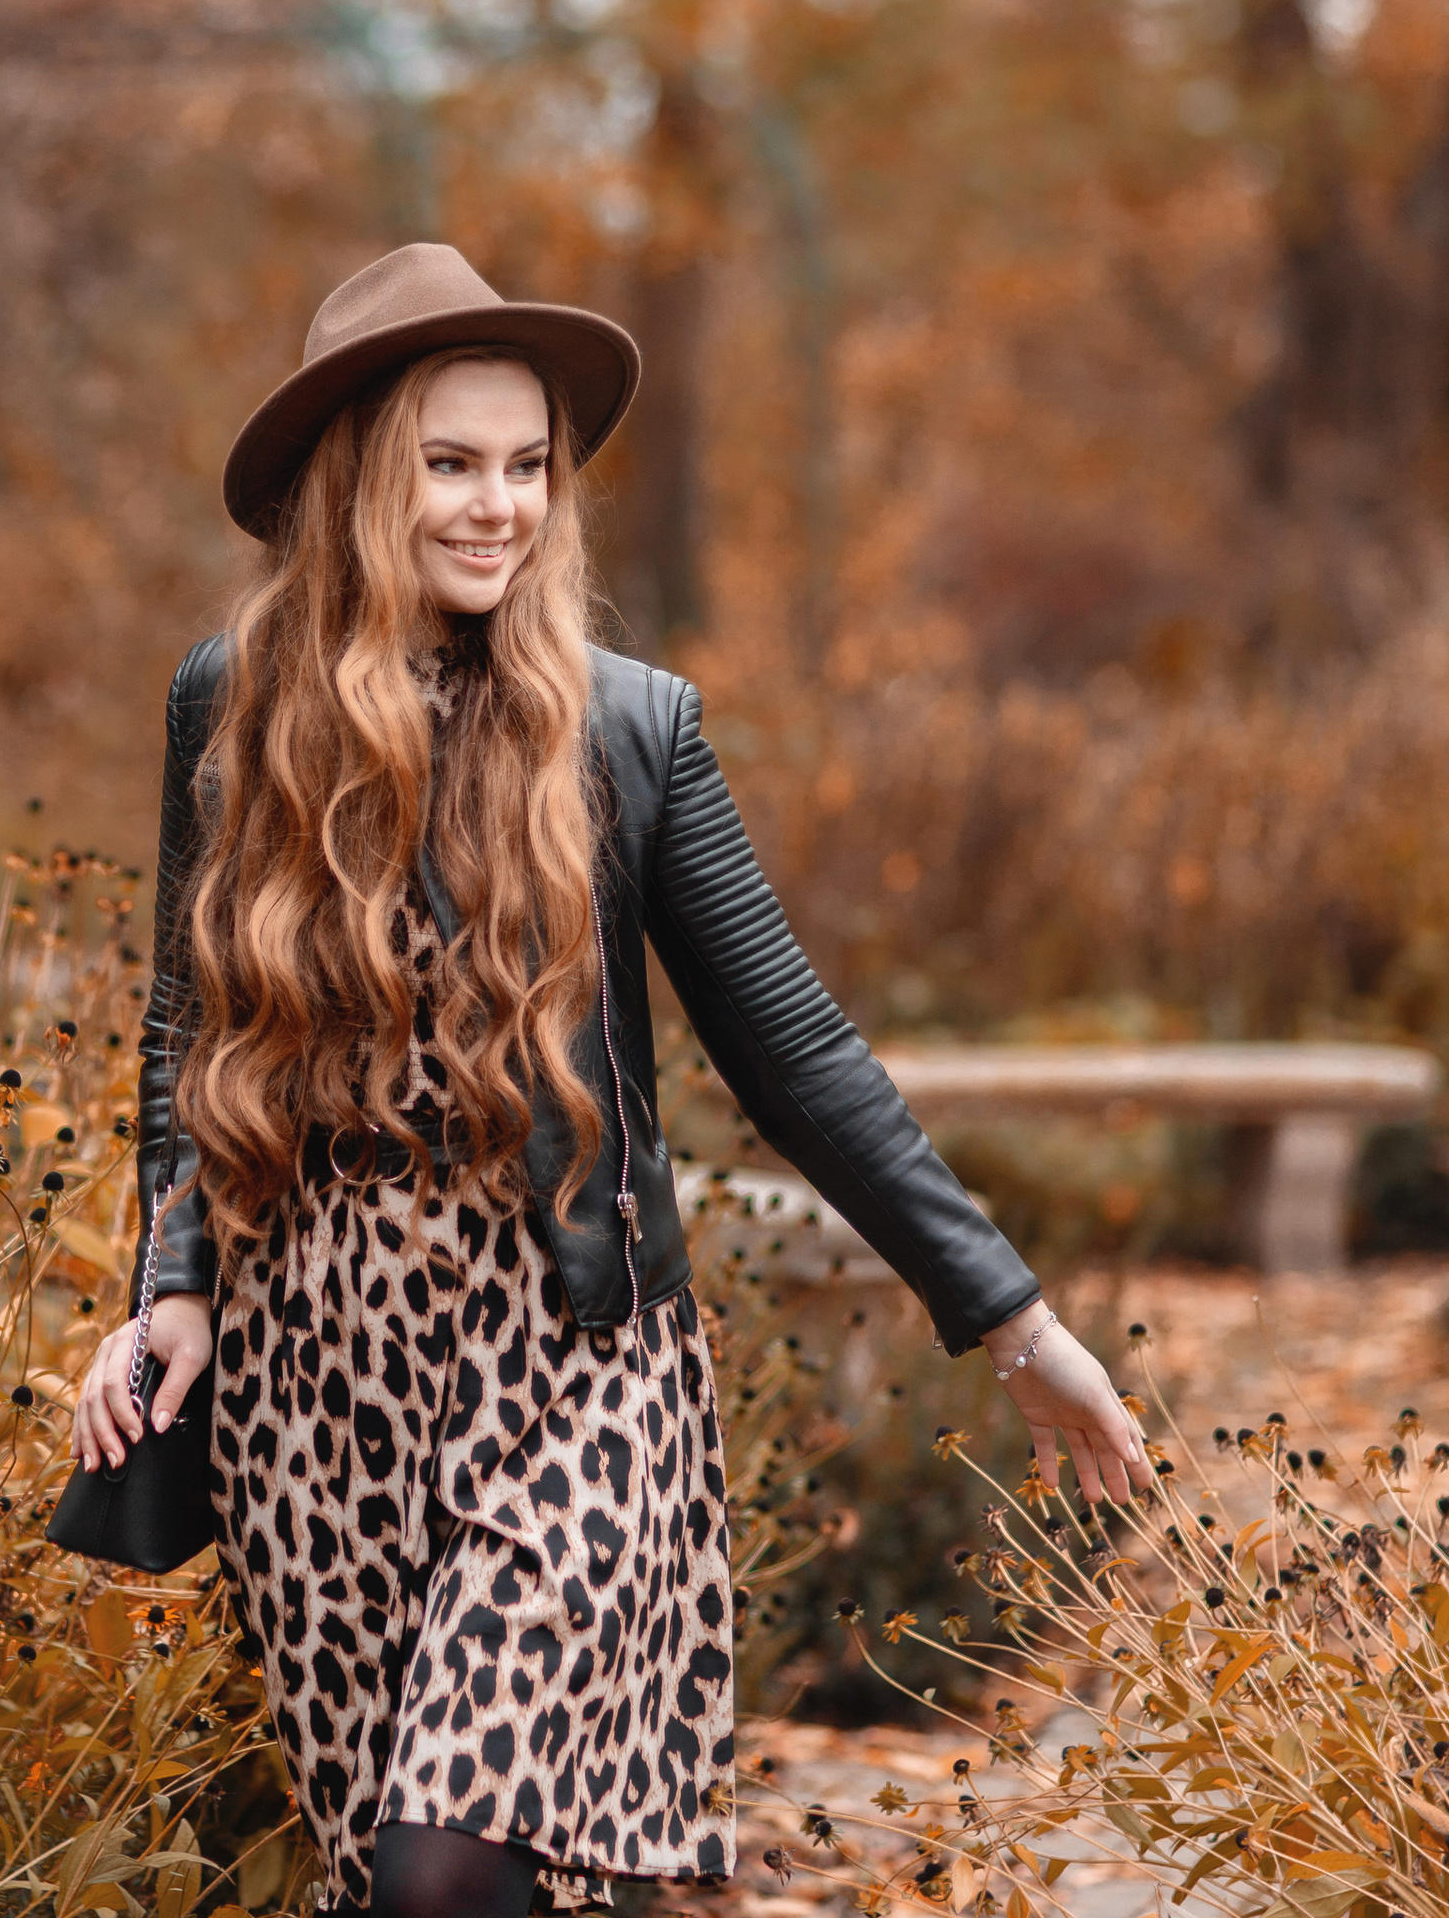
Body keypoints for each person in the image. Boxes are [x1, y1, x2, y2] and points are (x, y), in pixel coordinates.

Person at [70, 244, 1151, 1918]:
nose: (498, 506)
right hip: (311, 1376)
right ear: (358, 477)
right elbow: (186, 1029)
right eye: (450, 464)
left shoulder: (628, 732)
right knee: (410, 1880)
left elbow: (793, 1051)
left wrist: (1015, 1321)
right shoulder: (233, 706)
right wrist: (176, 1288)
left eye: (525, 467)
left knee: (443, 1878)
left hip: (569, 1361)